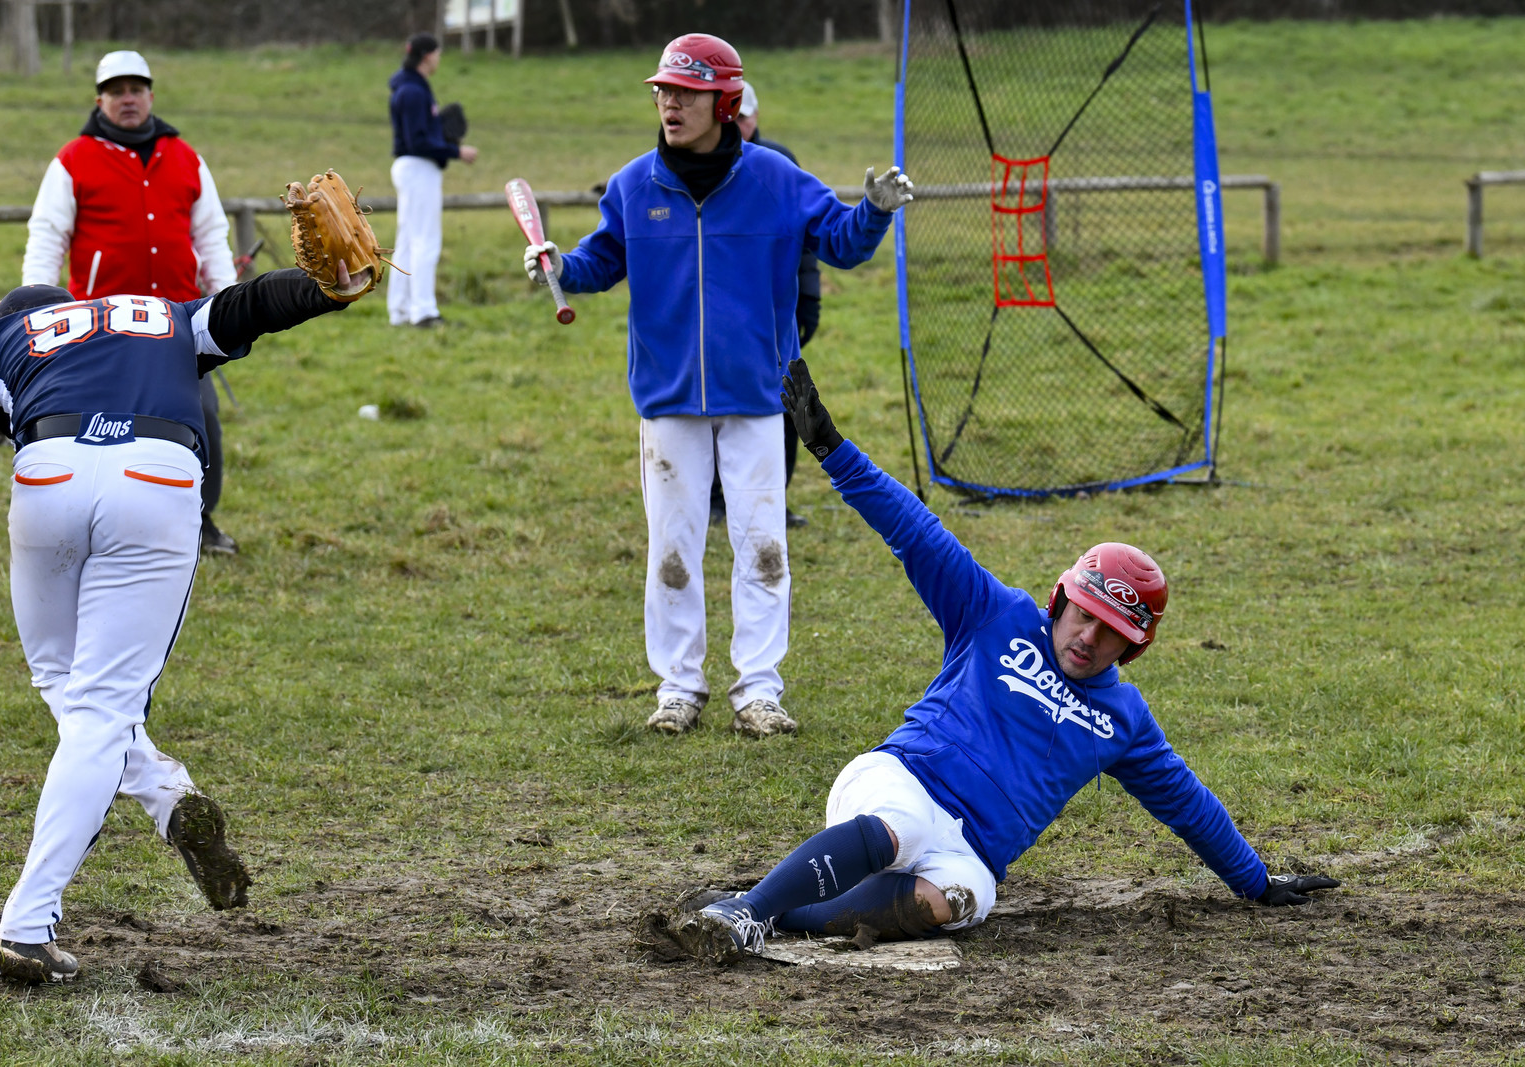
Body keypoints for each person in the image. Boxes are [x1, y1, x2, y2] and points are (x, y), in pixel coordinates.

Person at [666, 361, 1342, 961]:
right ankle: (743, 912)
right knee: (897, 828)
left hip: (968, 849)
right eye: (1082, 614)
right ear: (1060, 599)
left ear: (1134, 647)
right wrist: (830, 448)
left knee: (961, 901)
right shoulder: (996, 612)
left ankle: (772, 910)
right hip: (898, 783)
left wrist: (1255, 881)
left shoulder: (1123, 720)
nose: (1086, 637)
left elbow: (1189, 805)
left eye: (1109, 633)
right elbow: (916, 532)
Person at [0, 261, 362, 984]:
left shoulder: (8, 337)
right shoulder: (155, 314)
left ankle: (159, 804)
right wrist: (324, 288)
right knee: (96, 702)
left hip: (51, 475)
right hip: (153, 475)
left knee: (67, 684)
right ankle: (47, 906)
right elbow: (247, 306)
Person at [521, 34, 914, 739]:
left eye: (685, 92)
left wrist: (875, 210)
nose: (668, 103)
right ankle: (679, 687)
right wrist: (556, 263)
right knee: (672, 547)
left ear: (724, 102)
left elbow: (843, 244)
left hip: (760, 395)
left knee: (764, 545)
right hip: (668, 398)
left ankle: (759, 690)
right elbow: (597, 264)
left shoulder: (777, 179)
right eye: (663, 91)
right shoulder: (634, 184)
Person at [22, 50, 243, 556]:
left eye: (136, 89)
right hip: (99, 322)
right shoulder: (73, 159)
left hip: (180, 318)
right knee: (95, 427)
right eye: (116, 90)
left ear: (150, 96)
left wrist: (228, 299)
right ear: (100, 99)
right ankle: (92, 523)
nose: (127, 99)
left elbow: (210, 233)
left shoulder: (186, 158)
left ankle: (199, 520)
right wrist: (37, 304)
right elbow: (47, 237)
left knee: (199, 418)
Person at [707, 81, 821, 530]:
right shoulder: (700, 168)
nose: (738, 126)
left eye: (744, 118)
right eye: (731, 119)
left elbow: (806, 239)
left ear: (753, 118)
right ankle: (716, 498)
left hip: (776, 317)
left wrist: (808, 301)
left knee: (787, 402)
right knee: (719, 407)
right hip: (722, 318)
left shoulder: (778, 165)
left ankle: (774, 497)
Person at [387, 33, 479, 328]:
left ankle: (400, 310)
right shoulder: (414, 92)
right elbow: (418, 141)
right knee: (425, 241)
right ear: (427, 55)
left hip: (412, 168)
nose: (439, 58)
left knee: (407, 242)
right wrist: (455, 150)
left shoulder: (409, 87)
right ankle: (424, 312)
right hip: (418, 168)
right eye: (437, 53)